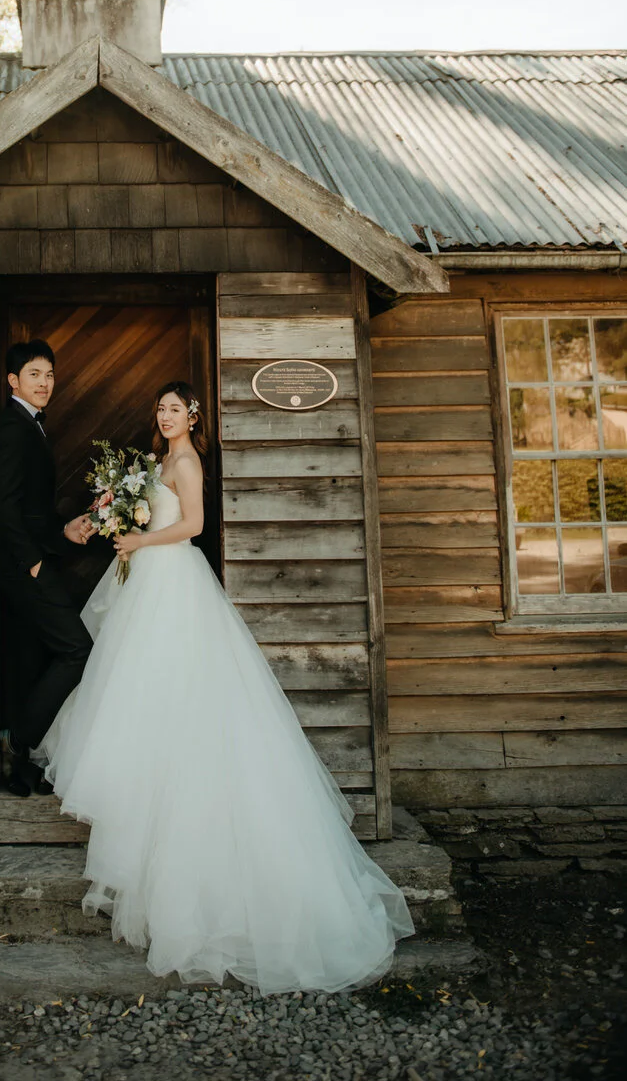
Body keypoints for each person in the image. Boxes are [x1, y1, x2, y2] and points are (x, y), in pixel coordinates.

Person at [35, 379, 415, 994]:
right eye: (158, 408)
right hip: (147, 579)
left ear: (193, 416)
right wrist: (110, 520)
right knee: (139, 686)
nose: (164, 416)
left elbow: (192, 525)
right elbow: (142, 509)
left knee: (180, 685)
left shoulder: (187, 460)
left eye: (174, 409)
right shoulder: (155, 460)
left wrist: (138, 537)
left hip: (173, 577)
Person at [0, 339, 95, 797]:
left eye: (49, 374)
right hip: (22, 567)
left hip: (34, 557)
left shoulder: (31, 425)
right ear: (14, 381)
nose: (45, 382)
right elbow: (6, 506)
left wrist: (64, 532)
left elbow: (33, 509)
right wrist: (32, 561)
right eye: (35, 374)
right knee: (76, 648)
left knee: (29, 659)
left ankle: (20, 765)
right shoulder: (12, 427)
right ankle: (18, 740)